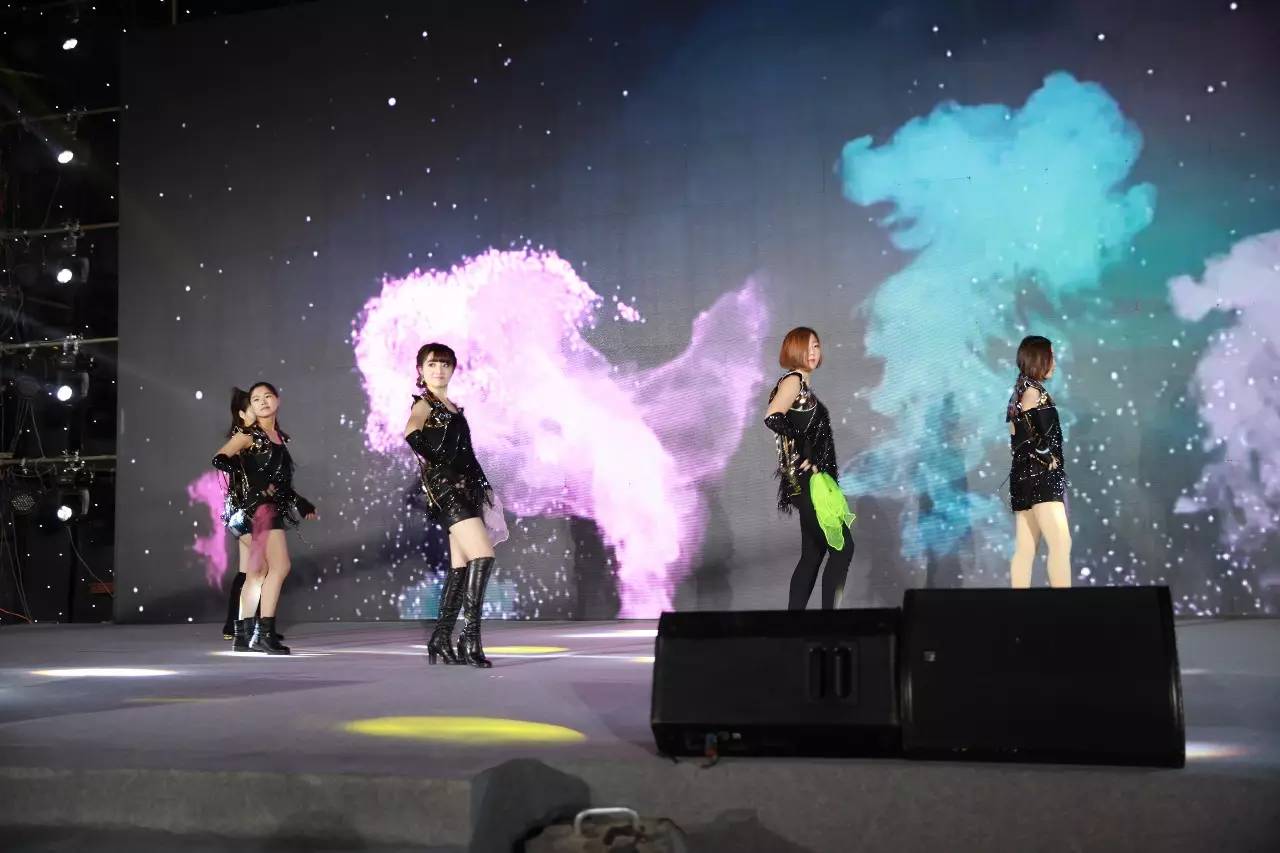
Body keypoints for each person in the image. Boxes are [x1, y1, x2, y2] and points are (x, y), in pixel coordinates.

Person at [404, 343, 499, 668]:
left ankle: (441, 638)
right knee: (483, 556)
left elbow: (468, 454)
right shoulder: (425, 403)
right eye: (432, 364)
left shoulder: (454, 407)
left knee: (461, 567)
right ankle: (470, 639)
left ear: (453, 369)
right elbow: (412, 433)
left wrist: (482, 484)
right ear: (421, 370)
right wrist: (442, 464)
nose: (439, 370)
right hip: (447, 489)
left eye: (445, 364)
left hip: (466, 489)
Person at [212, 381, 317, 654]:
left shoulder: (277, 438)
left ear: (277, 400)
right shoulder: (250, 435)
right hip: (257, 509)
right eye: (256, 399)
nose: (262, 402)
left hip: (258, 508)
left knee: (257, 572)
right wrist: (250, 476)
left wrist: (299, 502)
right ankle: (264, 634)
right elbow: (220, 458)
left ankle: (242, 636)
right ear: (251, 406)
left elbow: (278, 484)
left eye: (267, 396)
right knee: (279, 567)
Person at [764, 327, 855, 609]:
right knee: (842, 548)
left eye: (816, 346)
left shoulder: (803, 385)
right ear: (793, 350)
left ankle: (796, 624)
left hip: (813, 482)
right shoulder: (793, 380)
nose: (813, 352)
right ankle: (829, 622)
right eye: (806, 347)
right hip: (806, 482)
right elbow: (773, 416)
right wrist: (803, 447)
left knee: (813, 555)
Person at [1006, 335, 1071, 588]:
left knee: (1025, 549)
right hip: (1040, 477)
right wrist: (1048, 457)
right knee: (1061, 543)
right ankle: (1064, 606)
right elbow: (1026, 434)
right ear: (1039, 359)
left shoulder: (1020, 391)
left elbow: (1017, 434)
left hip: (1024, 477)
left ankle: (1017, 606)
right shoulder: (1033, 392)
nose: (1054, 362)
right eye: (1051, 356)